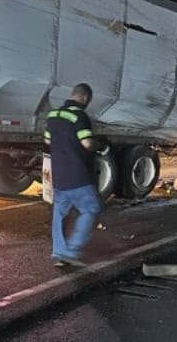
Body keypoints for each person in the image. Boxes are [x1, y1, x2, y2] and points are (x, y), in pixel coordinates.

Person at [44, 83, 108, 267]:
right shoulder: (79, 115)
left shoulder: (53, 115)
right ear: (85, 98)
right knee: (91, 208)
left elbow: (47, 140)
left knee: (59, 214)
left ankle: (58, 253)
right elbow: (87, 143)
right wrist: (102, 146)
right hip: (78, 174)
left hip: (59, 176)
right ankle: (72, 251)